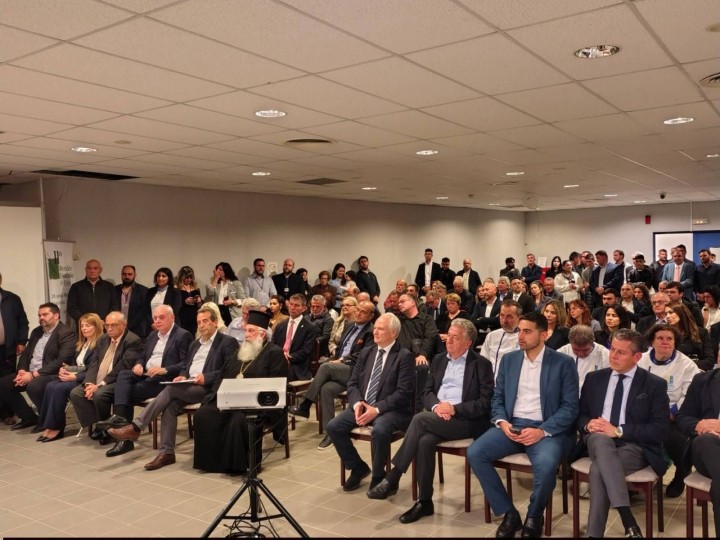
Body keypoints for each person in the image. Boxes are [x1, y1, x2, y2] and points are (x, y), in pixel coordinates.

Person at [366, 319, 495, 524]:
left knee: (419, 419)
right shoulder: (439, 359)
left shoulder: (481, 365)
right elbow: (426, 392)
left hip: (466, 420)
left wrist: (454, 409)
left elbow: (485, 403)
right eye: (448, 335)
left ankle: (393, 476)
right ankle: (425, 502)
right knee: (425, 440)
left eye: (455, 337)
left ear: (468, 342)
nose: (448, 340)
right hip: (437, 416)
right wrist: (436, 407)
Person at [468, 311, 579, 538]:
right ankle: (509, 513)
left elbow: (570, 407)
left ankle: (534, 515)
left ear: (544, 335)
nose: (520, 336)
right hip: (512, 425)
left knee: (546, 466)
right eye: (519, 330)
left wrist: (541, 431)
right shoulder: (509, 360)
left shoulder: (563, 363)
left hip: (545, 429)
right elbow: (497, 398)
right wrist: (502, 422)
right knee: (475, 453)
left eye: (527, 331)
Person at [107, 305, 240, 471]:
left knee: (170, 390)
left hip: (208, 387)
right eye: (199, 322)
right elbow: (186, 366)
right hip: (188, 384)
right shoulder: (195, 344)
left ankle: (136, 427)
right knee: (169, 405)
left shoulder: (227, 342)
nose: (201, 325)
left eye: (205, 321)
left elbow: (229, 370)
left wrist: (206, 377)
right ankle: (167, 453)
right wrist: (183, 376)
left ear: (215, 322)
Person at [577, 329, 670, 538]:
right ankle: (628, 520)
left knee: (598, 471)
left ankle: (595, 534)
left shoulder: (654, 385)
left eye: (621, 352)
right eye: (612, 350)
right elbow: (580, 415)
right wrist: (588, 424)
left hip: (634, 446)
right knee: (600, 439)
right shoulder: (594, 378)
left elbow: (660, 430)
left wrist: (618, 431)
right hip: (596, 440)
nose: (614, 356)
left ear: (637, 357)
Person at [326, 313, 415, 492]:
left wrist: (376, 409)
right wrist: (357, 403)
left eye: (380, 329)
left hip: (391, 410)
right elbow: (352, 383)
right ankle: (358, 467)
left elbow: (403, 393)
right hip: (363, 405)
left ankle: (378, 475)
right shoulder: (367, 352)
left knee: (380, 430)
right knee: (334, 426)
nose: (375, 332)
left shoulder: (404, 356)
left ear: (393, 333)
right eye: (375, 328)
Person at [193, 310, 288, 473]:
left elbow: (276, 385)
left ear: (262, 334)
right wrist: (215, 397)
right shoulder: (240, 352)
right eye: (246, 331)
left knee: (239, 420)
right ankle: (213, 463)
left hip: (257, 404)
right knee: (203, 414)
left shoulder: (274, 353)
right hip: (231, 400)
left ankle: (241, 465)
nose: (247, 335)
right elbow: (222, 375)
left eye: (251, 331)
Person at [102, 305, 193, 457]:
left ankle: (125, 437)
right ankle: (121, 421)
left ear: (172, 318)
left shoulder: (182, 335)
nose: (157, 321)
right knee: (124, 375)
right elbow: (143, 356)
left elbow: (186, 363)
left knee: (125, 392)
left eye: (161, 318)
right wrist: (138, 364)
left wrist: (164, 369)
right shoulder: (152, 335)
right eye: (155, 318)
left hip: (163, 378)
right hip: (146, 374)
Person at [289, 300, 376, 448]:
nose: (358, 313)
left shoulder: (371, 331)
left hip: (357, 371)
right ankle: (330, 432)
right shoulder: (349, 326)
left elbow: (364, 354)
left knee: (325, 367)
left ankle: (305, 405)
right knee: (326, 389)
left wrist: (342, 360)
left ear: (371, 316)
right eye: (358, 310)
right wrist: (337, 358)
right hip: (341, 369)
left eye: (363, 312)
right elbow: (340, 347)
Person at [638, 323, 701, 497]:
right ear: (652, 341)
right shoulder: (641, 360)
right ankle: (637, 479)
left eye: (669, 339)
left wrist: (672, 412)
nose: (665, 342)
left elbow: (690, 394)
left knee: (674, 438)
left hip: (674, 413)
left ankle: (682, 471)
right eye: (660, 338)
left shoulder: (686, 364)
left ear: (675, 342)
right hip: (645, 411)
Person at [68, 312, 143, 444]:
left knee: (100, 394)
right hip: (98, 379)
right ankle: (100, 425)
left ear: (124, 325)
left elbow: (122, 367)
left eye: (113, 325)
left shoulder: (132, 340)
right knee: (76, 393)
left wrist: (100, 385)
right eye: (107, 325)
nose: (109, 328)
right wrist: (89, 383)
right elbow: (94, 363)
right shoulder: (103, 339)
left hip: (118, 381)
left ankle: (108, 429)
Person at [0, 302, 75, 431]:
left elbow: (61, 360)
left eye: (45, 314)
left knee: (34, 386)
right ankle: (29, 417)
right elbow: (26, 354)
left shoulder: (66, 333)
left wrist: (33, 375)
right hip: (30, 372)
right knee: (4, 384)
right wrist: (22, 371)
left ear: (56, 315)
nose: (41, 318)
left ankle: (46, 420)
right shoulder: (37, 331)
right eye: (39, 315)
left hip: (52, 373)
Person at [37, 313, 103, 442]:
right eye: (82, 326)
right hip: (76, 375)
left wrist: (75, 377)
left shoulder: (100, 344)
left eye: (88, 326)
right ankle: (48, 425)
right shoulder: (82, 344)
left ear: (96, 327)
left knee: (59, 388)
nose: (84, 328)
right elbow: (78, 365)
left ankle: (56, 428)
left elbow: (94, 370)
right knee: (50, 386)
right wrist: (66, 369)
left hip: (88, 379)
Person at [676, 369, 720, 538]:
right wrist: (699, 425)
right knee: (704, 441)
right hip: (709, 446)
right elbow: (682, 417)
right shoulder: (703, 380)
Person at [396, 294, 438, 412]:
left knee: (421, 367)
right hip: (401, 357)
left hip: (420, 355)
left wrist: (423, 354)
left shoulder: (426, 319)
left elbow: (430, 338)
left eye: (403, 301)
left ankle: (417, 406)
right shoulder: (398, 321)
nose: (400, 304)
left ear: (413, 302)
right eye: (398, 303)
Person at [0, 272, 29, 423]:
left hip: (7, 349)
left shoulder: (12, 299)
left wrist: (22, 341)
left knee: (6, 381)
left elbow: (23, 322)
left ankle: (7, 414)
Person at [271, 294, 320, 381]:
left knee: (277, 371)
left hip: (297, 366)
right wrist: (279, 357)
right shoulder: (281, 325)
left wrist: (287, 358)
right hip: (278, 361)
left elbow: (305, 351)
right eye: (291, 304)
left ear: (304, 308)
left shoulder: (310, 327)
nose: (292, 308)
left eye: (296, 305)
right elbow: (273, 344)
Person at [558, 324, 609, 394]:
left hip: (593, 395)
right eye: (575, 349)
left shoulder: (604, 354)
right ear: (570, 342)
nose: (580, 353)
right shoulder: (562, 352)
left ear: (592, 342)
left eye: (585, 350)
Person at [67, 259, 119, 328]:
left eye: (95, 268)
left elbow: (114, 306)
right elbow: (71, 308)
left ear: (100, 270)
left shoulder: (109, 286)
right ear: (85, 270)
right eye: (89, 268)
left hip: (104, 326)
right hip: (84, 327)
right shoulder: (76, 287)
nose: (92, 271)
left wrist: (106, 321)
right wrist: (86, 320)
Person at [665, 301, 714, 370]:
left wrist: (687, 366)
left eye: (671, 312)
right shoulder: (665, 335)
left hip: (697, 371)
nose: (667, 316)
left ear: (681, 313)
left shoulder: (701, 333)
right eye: (666, 314)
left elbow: (709, 361)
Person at [480, 300, 522, 378]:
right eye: (502, 315)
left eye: (509, 316)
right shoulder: (491, 336)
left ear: (519, 318)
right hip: (490, 381)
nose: (504, 320)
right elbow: (483, 361)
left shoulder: (524, 338)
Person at [115, 265, 149, 340]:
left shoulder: (144, 291)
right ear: (121, 275)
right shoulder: (114, 290)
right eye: (124, 274)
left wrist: (128, 325)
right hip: (117, 328)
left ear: (135, 275)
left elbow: (143, 311)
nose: (127, 276)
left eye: (130, 274)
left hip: (137, 330)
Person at [176, 265, 202, 336]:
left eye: (190, 277)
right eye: (187, 278)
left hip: (194, 317)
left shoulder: (196, 288)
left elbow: (199, 306)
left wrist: (199, 301)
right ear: (181, 277)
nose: (189, 280)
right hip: (182, 317)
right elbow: (174, 304)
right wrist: (185, 302)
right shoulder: (176, 288)